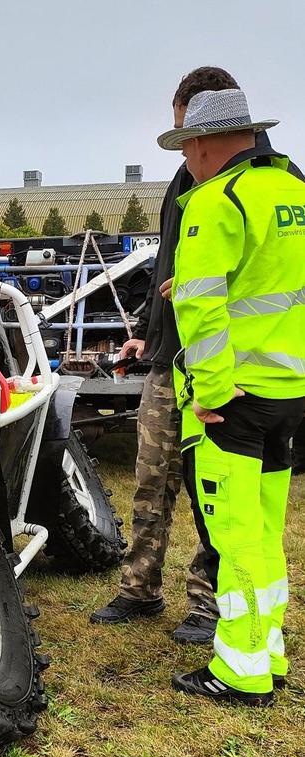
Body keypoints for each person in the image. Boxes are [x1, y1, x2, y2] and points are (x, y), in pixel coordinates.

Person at [158, 88, 305, 705]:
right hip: (290, 392)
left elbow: (201, 301)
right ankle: (266, 650)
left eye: (185, 147)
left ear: (201, 144)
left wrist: (211, 391)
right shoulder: (294, 193)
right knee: (267, 529)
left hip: (231, 402)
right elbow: (268, 286)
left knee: (235, 536)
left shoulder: (215, 202)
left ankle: (240, 672)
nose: (186, 162)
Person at [90, 68, 242, 642]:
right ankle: (140, 588)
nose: (182, 143)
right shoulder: (182, 180)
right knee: (152, 479)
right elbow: (167, 271)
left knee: (212, 488)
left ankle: (210, 601)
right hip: (167, 359)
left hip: (222, 366)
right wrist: (148, 338)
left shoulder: (257, 185)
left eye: (186, 131)